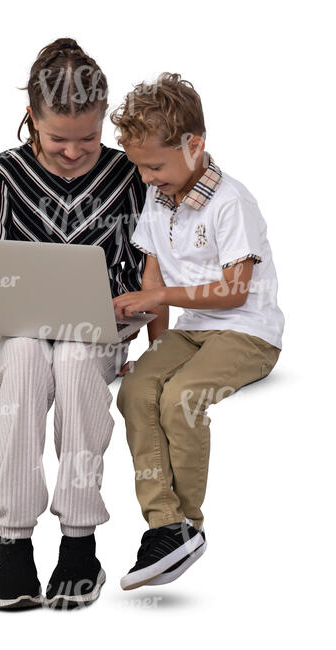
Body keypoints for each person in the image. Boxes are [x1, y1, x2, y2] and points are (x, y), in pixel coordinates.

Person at [0, 38, 146, 610]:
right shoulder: (4, 173)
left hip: (100, 329)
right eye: (58, 138)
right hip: (19, 330)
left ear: (104, 121)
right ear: (32, 118)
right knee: (32, 361)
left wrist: (133, 306)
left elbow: (145, 266)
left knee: (77, 359)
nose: (72, 151)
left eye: (87, 138)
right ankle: (13, 543)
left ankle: (79, 540)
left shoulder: (126, 172)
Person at [110, 73, 285, 590]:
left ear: (195, 145)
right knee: (138, 390)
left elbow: (234, 289)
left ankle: (189, 525)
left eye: (155, 166)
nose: (145, 178)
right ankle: (164, 524)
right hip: (193, 329)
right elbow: (154, 276)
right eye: (139, 167)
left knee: (181, 397)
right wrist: (155, 347)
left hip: (248, 332)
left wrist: (158, 299)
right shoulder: (158, 199)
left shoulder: (231, 202)